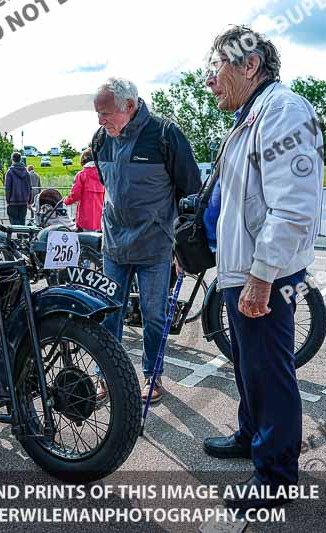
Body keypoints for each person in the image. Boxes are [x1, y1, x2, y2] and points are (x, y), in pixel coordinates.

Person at [201, 25, 322, 510]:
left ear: (249, 65)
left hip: (265, 274)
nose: (209, 81)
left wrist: (261, 275)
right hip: (245, 269)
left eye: (216, 69)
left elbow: (292, 208)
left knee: (270, 371)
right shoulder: (252, 116)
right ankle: (251, 434)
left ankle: (274, 477)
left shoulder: (285, 111)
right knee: (250, 365)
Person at [92, 77, 201, 403]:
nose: (100, 121)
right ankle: (104, 377)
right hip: (113, 245)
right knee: (108, 313)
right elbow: (108, 184)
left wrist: (183, 247)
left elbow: (190, 192)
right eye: (97, 114)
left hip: (154, 247)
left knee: (154, 316)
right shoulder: (101, 139)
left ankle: (153, 377)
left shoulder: (166, 135)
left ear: (129, 106)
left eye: (106, 113)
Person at [64, 148, 104, 232]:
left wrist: (66, 201)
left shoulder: (82, 175)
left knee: (85, 241)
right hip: (100, 218)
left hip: (85, 218)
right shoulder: (103, 175)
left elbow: (75, 195)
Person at [4, 152, 33, 225]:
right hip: (23, 201)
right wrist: (29, 201)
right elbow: (30, 187)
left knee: (13, 221)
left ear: (12, 160)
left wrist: (7, 200)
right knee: (22, 221)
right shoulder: (26, 173)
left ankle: (16, 234)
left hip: (13, 201)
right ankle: (21, 235)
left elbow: (8, 188)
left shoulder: (9, 172)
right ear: (20, 160)